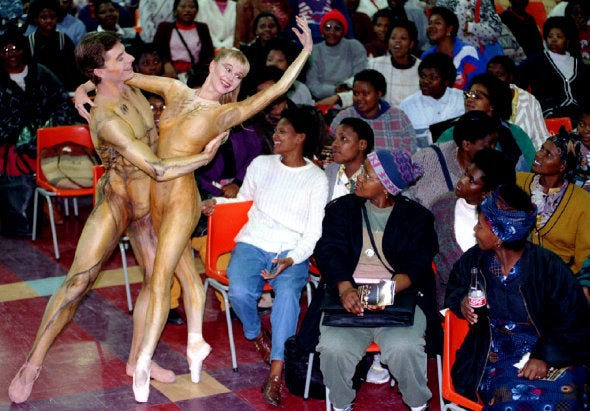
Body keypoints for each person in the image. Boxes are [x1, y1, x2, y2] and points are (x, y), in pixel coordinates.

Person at [76, 16, 314, 403]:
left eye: (238, 76)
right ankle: (196, 343)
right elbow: (118, 77)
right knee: (184, 275)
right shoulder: (173, 88)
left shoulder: (224, 114)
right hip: (155, 192)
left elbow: (274, 93)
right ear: (213, 64)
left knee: (159, 280)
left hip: (183, 196)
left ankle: (142, 365)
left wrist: (304, 52)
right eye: (228, 68)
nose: (231, 78)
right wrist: (82, 88)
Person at [7, 31, 226, 404]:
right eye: (121, 58)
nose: (130, 62)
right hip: (119, 200)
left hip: (149, 205)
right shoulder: (106, 118)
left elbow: (95, 77)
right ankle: (32, 364)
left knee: (155, 283)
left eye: (126, 55)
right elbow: (157, 168)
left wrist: (80, 90)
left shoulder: (125, 83)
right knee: (78, 282)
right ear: (100, 70)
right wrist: (204, 158)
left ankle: (137, 358)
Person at [202, 106, 329, 406]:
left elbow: (313, 233)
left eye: (282, 132)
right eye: (276, 130)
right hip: (254, 241)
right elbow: (245, 201)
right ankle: (256, 333)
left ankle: (276, 371)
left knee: (286, 298)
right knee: (240, 291)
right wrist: (215, 204)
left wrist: (292, 258)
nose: (275, 135)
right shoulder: (261, 164)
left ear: (300, 138)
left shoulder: (316, 179)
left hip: (291, 249)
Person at [315, 149, 440, 411]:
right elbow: (328, 251)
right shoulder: (342, 210)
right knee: (333, 349)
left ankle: (418, 406)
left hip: (398, 297)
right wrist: (345, 286)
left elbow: (417, 266)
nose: (358, 178)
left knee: (404, 348)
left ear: (387, 187)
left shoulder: (417, 218)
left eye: (368, 175)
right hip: (346, 295)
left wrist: (384, 293)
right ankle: (340, 405)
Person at [444, 184, 590, 409]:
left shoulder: (548, 268)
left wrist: (544, 356)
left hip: (549, 348)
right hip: (494, 353)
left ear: (499, 236)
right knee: (508, 401)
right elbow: (453, 288)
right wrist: (461, 301)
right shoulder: (476, 260)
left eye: (481, 225)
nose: (475, 229)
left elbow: (574, 320)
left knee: (563, 400)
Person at [0, 27, 81, 238]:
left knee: (56, 150)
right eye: (5, 49)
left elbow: (62, 104)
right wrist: (20, 133)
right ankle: (32, 209)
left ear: (24, 49)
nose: (11, 53)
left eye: (16, 48)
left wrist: (47, 130)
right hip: (10, 142)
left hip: (47, 137)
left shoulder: (42, 73)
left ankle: (45, 202)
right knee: (16, 156)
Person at [431, 148, 515, 309]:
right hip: (448, 298)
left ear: (486, 193)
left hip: (498, 300)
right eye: (465, 174)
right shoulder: (441, 207)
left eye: (471, 180)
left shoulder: (508, 219)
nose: (461, 181)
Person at [516, 132, 590, 275]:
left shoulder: (582, 203)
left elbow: (584, 258)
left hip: (558, 281)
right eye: (541, 149)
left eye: (548, 154)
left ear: (562, 166)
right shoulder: (518, 182)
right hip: (517, 273)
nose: (539, 155)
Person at [436, 73, 537, 171]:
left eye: (477, 96)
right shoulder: (451, 133)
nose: (469, 99)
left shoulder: (514, 133)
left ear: (493, 104)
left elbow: (531, 170)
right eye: (468, 95)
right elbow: (435, 166)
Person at [316, 18, 420, 110]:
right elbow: (359, 91)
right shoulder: (375, 64)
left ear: (411, 43)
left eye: (403, 38)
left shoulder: (421, 68)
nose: (397, 42)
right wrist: (337, 98)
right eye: (393, 38)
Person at [408, 110, 499, 210]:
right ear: (466, 145)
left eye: (495, 143)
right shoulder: (425, 160)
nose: (494, 149)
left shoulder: (496, 169)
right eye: (489, 144)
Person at [517, 16, 589, 122]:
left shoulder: (578, 64)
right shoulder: (536, 61)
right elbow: (517, 82)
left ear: (568, 40)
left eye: (559, 37)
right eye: (550, 36)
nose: (554, 40)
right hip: (549, 113)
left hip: (578, 115)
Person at [330, 69, 417, 153]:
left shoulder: (398, 117)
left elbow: (410, 150)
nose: (359, 98)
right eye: (356, 94)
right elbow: (332, 148)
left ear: (379, 94)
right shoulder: (344, 117)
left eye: (365, 93)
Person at [399, 52, 465, 149]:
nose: (425, 81)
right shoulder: (407, 106)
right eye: (423, 76)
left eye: (433, 77)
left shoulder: (463, 98)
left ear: (446, 81)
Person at [486, 55, 549, 150]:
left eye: (500, 75)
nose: (493, 80)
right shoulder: (482, 99)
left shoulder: (528, 100)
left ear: (510, 78)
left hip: (525, 157)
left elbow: (540, 138)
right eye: (490, 75)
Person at [304, 9, 366, 100]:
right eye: (328, 28)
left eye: (337, 28)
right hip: (322, 100)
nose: (332, 32)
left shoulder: (354, 47)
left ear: (344, 32)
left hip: (351, 97)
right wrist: (335, 89)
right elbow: (313, 86)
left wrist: (345, 90)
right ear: (322, 31)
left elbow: (361, 78)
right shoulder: (314, 51)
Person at [152, 0, 215, 85]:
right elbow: (156, 50)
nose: (187, 10)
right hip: (169, 74)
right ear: (175, 10)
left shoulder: (202, 28)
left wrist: (193, 72)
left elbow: (209, 56)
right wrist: (166, 63)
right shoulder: (164, 28)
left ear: (197, 11)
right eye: (183, 6)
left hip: (194, 75)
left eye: (191, 7)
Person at [25, 0, 84, 90]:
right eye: (43, 18)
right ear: (36, 19)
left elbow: (73, 70)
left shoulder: (64, 40)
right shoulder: (29, 41)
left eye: (52, 17)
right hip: (38, 89)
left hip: (63, 87)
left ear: (58, 17)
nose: (49, 21)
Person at [421, 6, 483, 90]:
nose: (431, 26)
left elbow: (478, 87)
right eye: (430, 23)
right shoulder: (426, 56)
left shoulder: (467, 52)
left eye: (437, 23)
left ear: (449, 29)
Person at [436, 0, 504, 66]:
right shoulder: (444, 2)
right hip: (456, 54)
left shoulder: (483, 1)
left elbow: (496, 29)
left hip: (485, 54)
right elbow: (440, 31)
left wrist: (470, 27)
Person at [326, 117, 374, 200]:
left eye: (343, 139)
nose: (334, 144)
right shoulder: (329, 172)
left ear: (362, 144)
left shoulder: (374, 180)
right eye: (334, 139)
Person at [265, 37, 314, 105]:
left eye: (280, 60)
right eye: (270, 60)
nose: (273, 64)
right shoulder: (259, 86)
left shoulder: (300, 89)